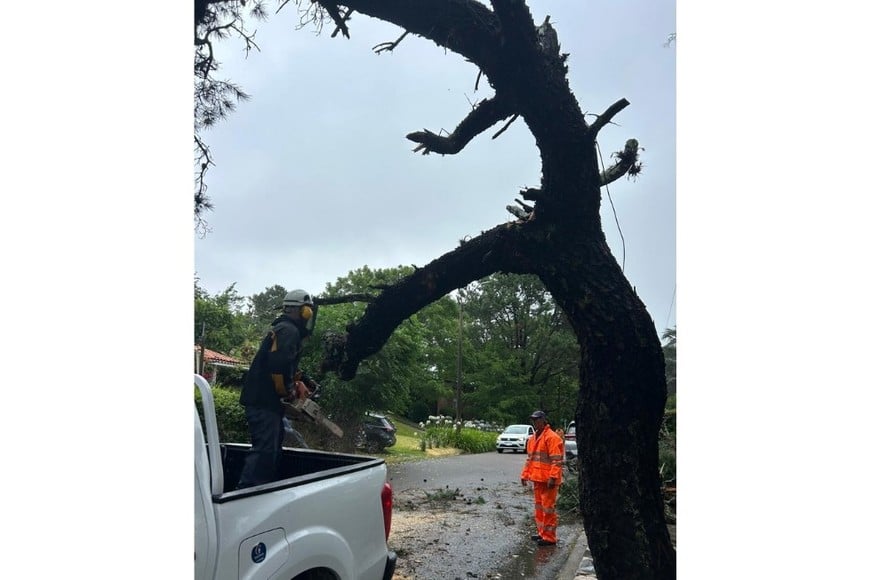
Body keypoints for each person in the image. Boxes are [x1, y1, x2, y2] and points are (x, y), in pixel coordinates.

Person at [236, 289, 317, 489]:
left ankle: (261, 489)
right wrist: (288, 391)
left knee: (271, 448)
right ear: (303, 311)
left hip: (267, 403)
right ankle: (247, 491)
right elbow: (279, 366)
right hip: (264, 402)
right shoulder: (289, 331)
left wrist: (302, 379)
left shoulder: (284, 329)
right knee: (265, 450)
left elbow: (286, 363)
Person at [520, 410, 564, 546]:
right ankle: (542, 533)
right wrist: (524, 475)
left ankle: (549, 537)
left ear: (544, 420)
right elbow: (530, 460)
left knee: (548, 508)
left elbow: (556, 460)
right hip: (538, 479)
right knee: (540, 508)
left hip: (548, 481)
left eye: (537, 420)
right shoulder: (533, 439)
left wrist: (553, 477)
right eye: (533, 420)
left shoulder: (552, 438)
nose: (535, 422)